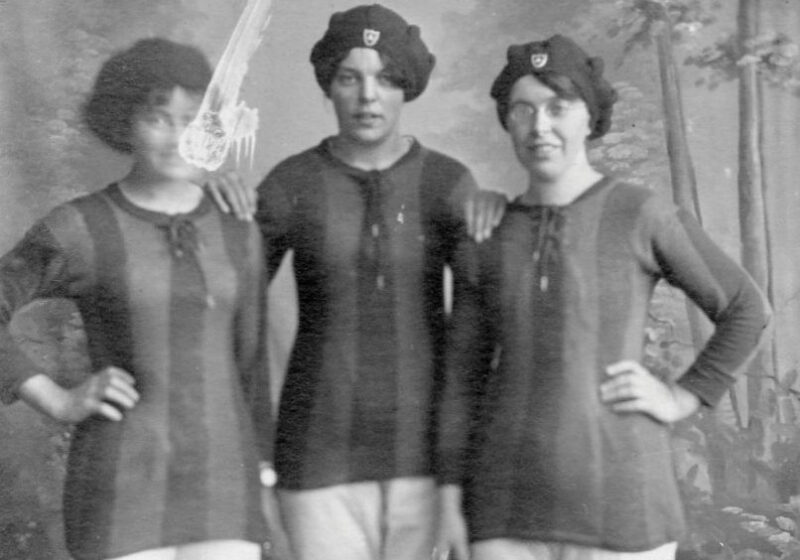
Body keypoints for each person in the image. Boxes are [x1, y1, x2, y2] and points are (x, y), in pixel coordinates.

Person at [437, 35, 771, 560]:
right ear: (507, 121)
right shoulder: (488, 233)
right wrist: (450, 496)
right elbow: (462, 379)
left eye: (558, 107)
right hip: (503, 509)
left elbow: (746, 308)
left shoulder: (640, 213)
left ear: (590, 118)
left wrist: (681, 397)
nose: (539, 125)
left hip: (623, 504)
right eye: (523, 110)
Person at [205, 4, 503, 560]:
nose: (368, 96)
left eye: (386, 79)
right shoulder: (291, 183)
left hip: (426, 461)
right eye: (350, 77)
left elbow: (478, 337)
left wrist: (465, 467)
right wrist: (211, 207)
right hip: (316, 456)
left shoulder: (447, 183)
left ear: (406, 89)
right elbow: (225, 310)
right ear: (328, 86)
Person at [0, 38, 277, 560]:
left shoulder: (239, 228)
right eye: (158, 118)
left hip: (225, 492)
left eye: (194, 119)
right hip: (120, 490)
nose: (179, 137)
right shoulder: (83, 227)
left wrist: (262, 474)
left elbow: (251, 365)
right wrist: (59, 399)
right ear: (124, 122)